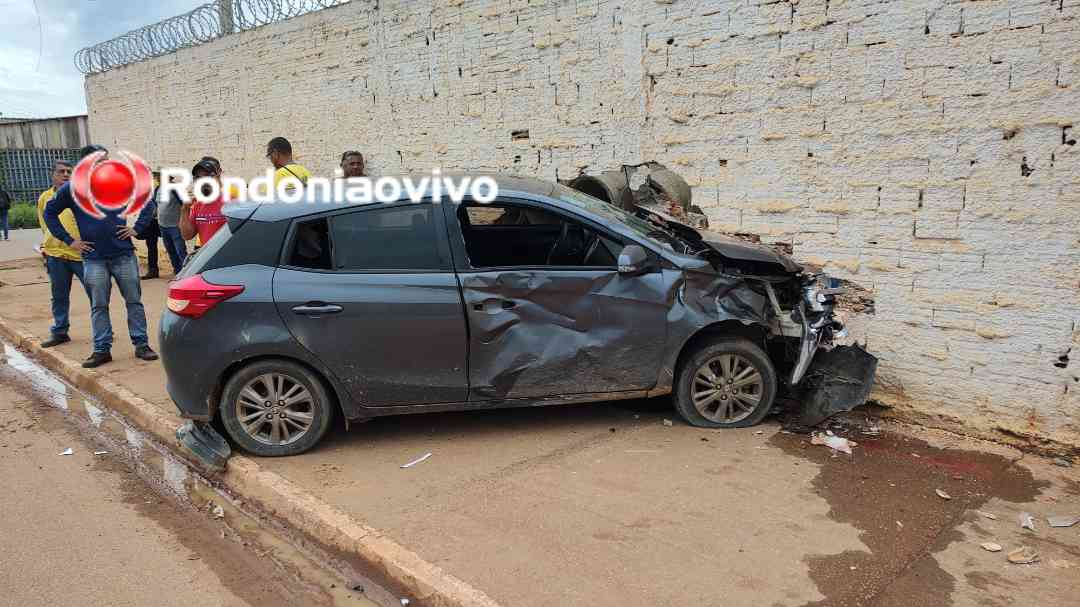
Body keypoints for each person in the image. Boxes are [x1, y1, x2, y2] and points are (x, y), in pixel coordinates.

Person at [43, 145, 159, 368]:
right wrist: (70, 241)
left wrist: (137, 228)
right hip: (93, 258)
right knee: (99, 305)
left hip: (123, 254)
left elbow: (147, 202)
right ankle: (101, 349)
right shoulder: (71, 189)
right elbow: (50, 212)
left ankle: (141, 344)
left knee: (134, 301)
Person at [37, 160, 91, 348]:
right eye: (61, 172)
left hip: (81, 255)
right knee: (59, 296)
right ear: (52, 175)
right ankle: (60, 331)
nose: (66, 175)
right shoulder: (45, 198)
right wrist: (46, 246)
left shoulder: (80, 196)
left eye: (70, 171)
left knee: (96, 293)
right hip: (55, 255)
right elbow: (45, 224)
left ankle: (103, 329)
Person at [179, 159, 229, 244]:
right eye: (198, 177)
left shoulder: (231, 201)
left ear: (216, 176)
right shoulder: (197, 205)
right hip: (209, 255)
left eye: (207, 176)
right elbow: (187, 236)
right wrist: (185, 209)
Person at [155, 171, 187, 272]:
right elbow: (156, 204)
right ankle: (177, 271)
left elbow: (185, 204)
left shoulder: (176, 189)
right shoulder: (157, 189)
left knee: (180, 251)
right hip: (162, 226)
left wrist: (184, 220)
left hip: (175, 225)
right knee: (170, 250)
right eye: (158, 176)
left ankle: (186, 273)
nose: (159, 178)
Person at [136, 171, 163, 279]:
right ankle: (153, 270)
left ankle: (179, 270)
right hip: (152, 221)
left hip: (164, 221)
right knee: (151, 245)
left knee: (174, 245)